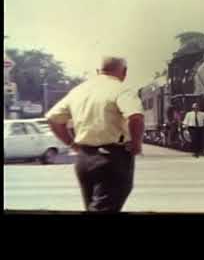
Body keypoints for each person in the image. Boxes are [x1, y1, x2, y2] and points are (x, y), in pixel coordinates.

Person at [46, 56, 144, 212]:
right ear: (124, 72)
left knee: (93, 206)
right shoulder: (121, 89)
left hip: (84, 159)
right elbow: (135, 117)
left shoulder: (78, 90)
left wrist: (72, 144)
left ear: (98, 71)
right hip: (112, 158)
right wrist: (137, 145)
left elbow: (52, 119)